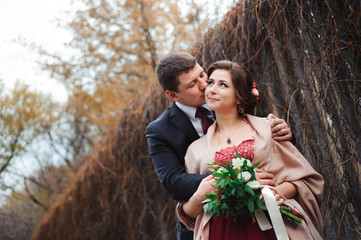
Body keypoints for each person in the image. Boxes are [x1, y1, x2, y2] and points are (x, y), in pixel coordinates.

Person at [146, 52, 294, 240]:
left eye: (201, 75)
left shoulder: (230, 98)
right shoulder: (160, 130)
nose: (204, 85)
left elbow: (264, 144)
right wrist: (236, 179)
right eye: (192, 84)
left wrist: (283, 133)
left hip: (264, 211)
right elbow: (173, 182)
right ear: (173, 95)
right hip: (201, 219)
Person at [176, 60, 324, 240]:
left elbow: (302, 180)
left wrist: (275, 193)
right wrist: (207, 192)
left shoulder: (268, 129)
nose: (212, 89)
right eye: (211, 82)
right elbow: (188, 213)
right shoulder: (195, 150)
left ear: (239, 97)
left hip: (272, 224)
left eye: (223, 85)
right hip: (222, 231)